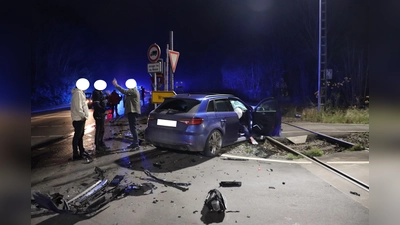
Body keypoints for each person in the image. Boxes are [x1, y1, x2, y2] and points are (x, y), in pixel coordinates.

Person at [112, 78, 141, 150]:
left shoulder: (134, 91)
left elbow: (124, 91)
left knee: (133, 128)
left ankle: (136, 143)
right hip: (131, 111)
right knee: (132, 128)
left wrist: (116, 85)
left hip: (133, 112)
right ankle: (135, 142)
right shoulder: (132, 92)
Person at [70, 78, 90, 160]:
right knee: (77, 136)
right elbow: (78, 108)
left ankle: (81, 151)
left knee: (80, 136)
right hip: (78, 119)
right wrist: (84, 116)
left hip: (80, 118)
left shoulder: (80, 93)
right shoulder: (78, 93)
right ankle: (75, 154)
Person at [92, 80, 110, 152]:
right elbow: (96, 105)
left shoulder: (100, 92)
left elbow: (103, 101)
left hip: (101, 113)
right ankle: (98, 146)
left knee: (102, 130)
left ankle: (101, 144)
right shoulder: (96, 93)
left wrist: (107, 97)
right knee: (99, 130)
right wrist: (103, 110)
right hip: (98, 114)